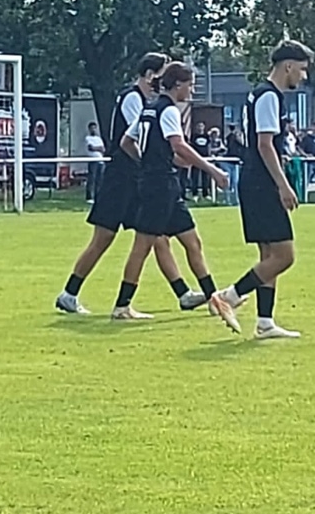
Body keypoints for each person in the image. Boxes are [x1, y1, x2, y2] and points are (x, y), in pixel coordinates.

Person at [55, 53, 208, 319]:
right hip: (122, 179)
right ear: (150, 75)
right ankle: (70, 293)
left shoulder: (148, 103)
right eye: (161, 74)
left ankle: (183, 293)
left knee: (157, 237)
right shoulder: (134, 99)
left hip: (139, 178)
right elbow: (142, 139)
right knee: (104, 238)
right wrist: (159, 161)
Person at [208, 40, 315, 339]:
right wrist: (283, 185)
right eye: (302, 70)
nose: (303, 76)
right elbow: (265, 144)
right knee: (284, 256)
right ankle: (229, 296)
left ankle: (265, 322)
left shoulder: (258, 94)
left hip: (253, 179)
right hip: (262, 182)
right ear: (288, 66)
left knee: (269, 255)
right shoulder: (269, 96)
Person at [113, 63, 229, 318]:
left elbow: (126, 143)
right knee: (142, 246)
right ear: (178, 85)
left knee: (192, 242)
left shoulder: (148, 109)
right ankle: (122, 306)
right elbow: (179, 145)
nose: (192, 90)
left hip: (164, 184)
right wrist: (211, 169)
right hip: (159, 186)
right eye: (191, 85)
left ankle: (215, 300)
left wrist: (148, 161)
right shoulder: (168, 110)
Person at [83, 121, 105, 203]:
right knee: (92, 178)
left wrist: (97, 148)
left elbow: (103, 149)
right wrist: (99, 148)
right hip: (93, 160)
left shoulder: (99, 139)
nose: (93, 130)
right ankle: (89, 197)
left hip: (100, 161)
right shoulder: (88, 138)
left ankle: (97, 196)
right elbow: (91, 148)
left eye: (95, 128)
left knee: (99, 180)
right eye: (92, 128)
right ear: (89, 129)